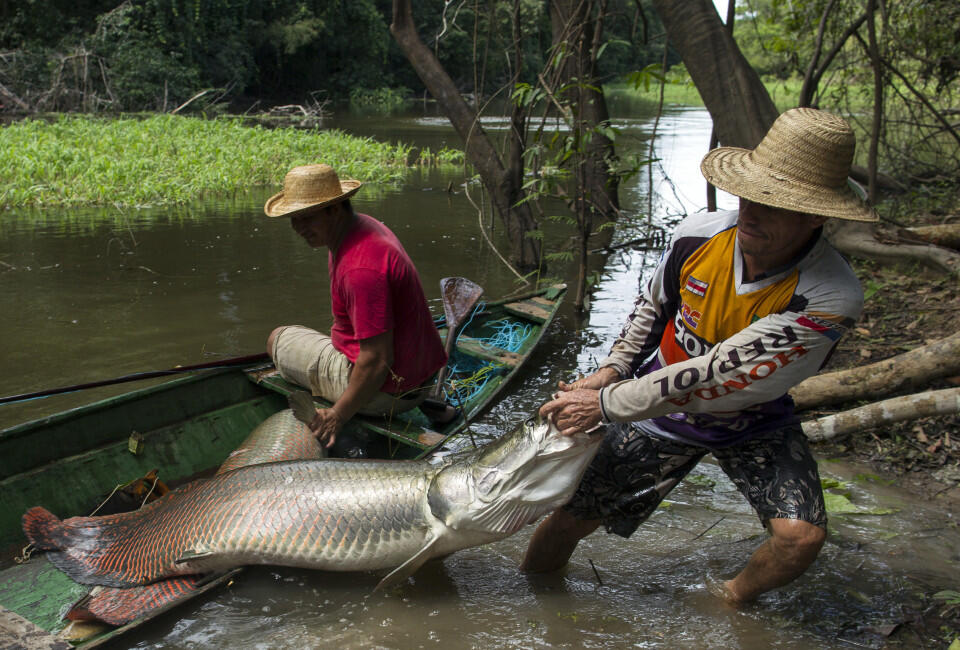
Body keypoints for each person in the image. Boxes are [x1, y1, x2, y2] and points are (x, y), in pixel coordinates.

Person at [520, 108, 878, 604]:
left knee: (801, 538)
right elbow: (653, 309)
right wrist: (610, 371)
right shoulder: (700, 234)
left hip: (752, 419)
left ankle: (728, 598)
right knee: (571, 519)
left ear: (814, 215)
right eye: (749, 195)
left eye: (774, 205)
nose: (751, 212)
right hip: (656, 410)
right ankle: (536, 599)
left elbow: (717, 374)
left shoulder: (828, 296)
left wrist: (603, 405)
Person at [264, 163, 447, 450]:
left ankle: (363, 403)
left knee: (277, 338)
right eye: (293, 219)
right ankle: (429, 405)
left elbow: (376, 360)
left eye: (306, 218)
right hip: (419, 382)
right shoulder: (365, 225)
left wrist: (338, 415)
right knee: (337, 333)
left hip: (385, 393)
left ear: (334, 210)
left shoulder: (359, 269)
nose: (298, 228)